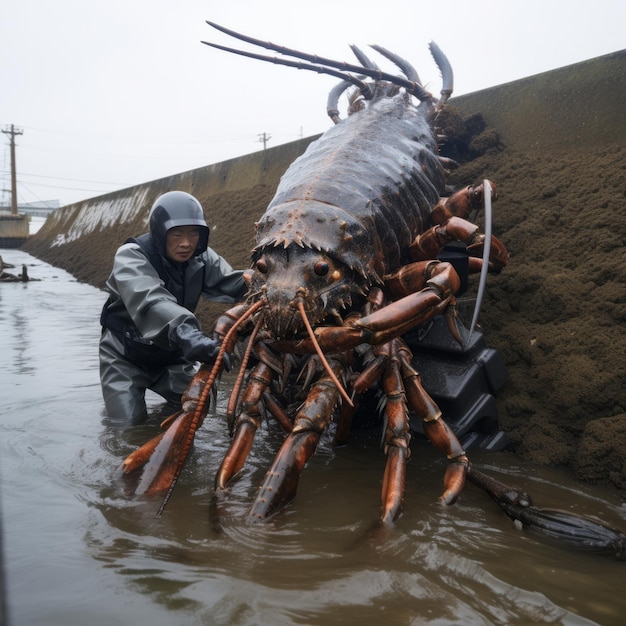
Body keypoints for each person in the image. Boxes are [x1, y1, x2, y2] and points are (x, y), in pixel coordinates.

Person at [99, 190, 248, 425]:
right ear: (160, 232)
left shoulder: (203, 258)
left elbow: (234, 282)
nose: (186, 243)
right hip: (125, 355)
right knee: (127, 428)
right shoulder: (131, 257)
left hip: (172, 356)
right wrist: (189, 333)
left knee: (196, 407)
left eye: (193, 234)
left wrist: (267, 278)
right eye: (176, 234)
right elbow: (151, 300)